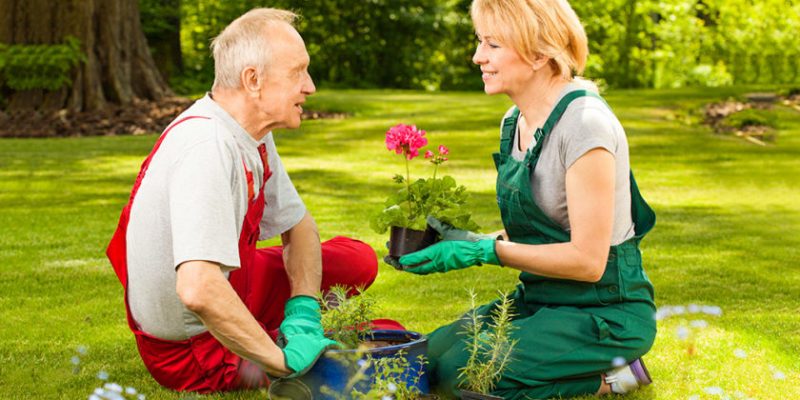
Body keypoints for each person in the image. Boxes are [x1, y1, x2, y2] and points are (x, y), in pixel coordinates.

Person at [105, 8, 381, 393]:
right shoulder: (206, 147)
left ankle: (285, 328)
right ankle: (272, 341)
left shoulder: (248, 131)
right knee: (378, 346)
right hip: (192, 350)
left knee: (356, 259)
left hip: (231, 286)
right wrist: (280, 361)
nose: (310, 86)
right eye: (297, 72)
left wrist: (303, 313)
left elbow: (299, 227)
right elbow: (198, 288)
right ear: (253, 80)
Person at [395, 0, 657, 398]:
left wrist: (487, 252)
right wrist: (461, 241)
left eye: (492, 44)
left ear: (538, 53)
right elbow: (544, 231)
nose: (477, 56)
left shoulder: (585, 125)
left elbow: (588, 261)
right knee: (423, 359)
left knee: (461, 374)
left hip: (604, 311)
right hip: (539, 298)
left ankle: (611, 378)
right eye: (480, 42)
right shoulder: (514, 121)